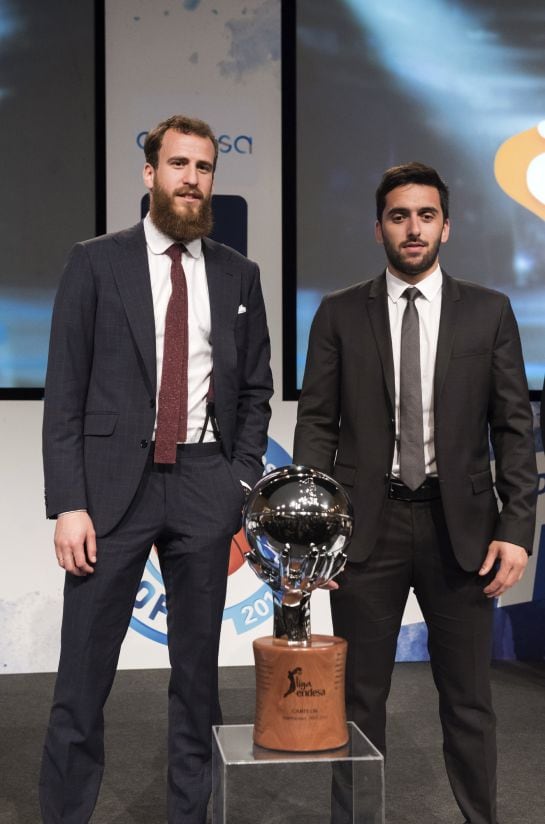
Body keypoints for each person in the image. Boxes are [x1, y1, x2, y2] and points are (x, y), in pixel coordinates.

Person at [39, 114, 273, 823]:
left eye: (203, 168)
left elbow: (256, 391)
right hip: (108, 494)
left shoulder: (239, 273)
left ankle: (189, 815)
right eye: (178, 165)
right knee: (82, 676)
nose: (191, 180)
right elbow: (65, 390)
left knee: (197, 680)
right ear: (150, 174)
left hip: (205, 485)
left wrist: (237, 482)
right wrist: (68, 503)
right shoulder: (95, 262)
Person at [293, 162, 537, 824]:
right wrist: (315, 533)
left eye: (425, 215)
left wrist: (517, 528)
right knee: (358, 700)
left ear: (445, 227)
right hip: (364, 535)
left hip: (461, 533)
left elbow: (513, 426)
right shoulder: (339, 312)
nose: (412, 227)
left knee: (467, 699)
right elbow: (315, 424)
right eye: (398, 216)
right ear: (378, 229)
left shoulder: (488, 312)